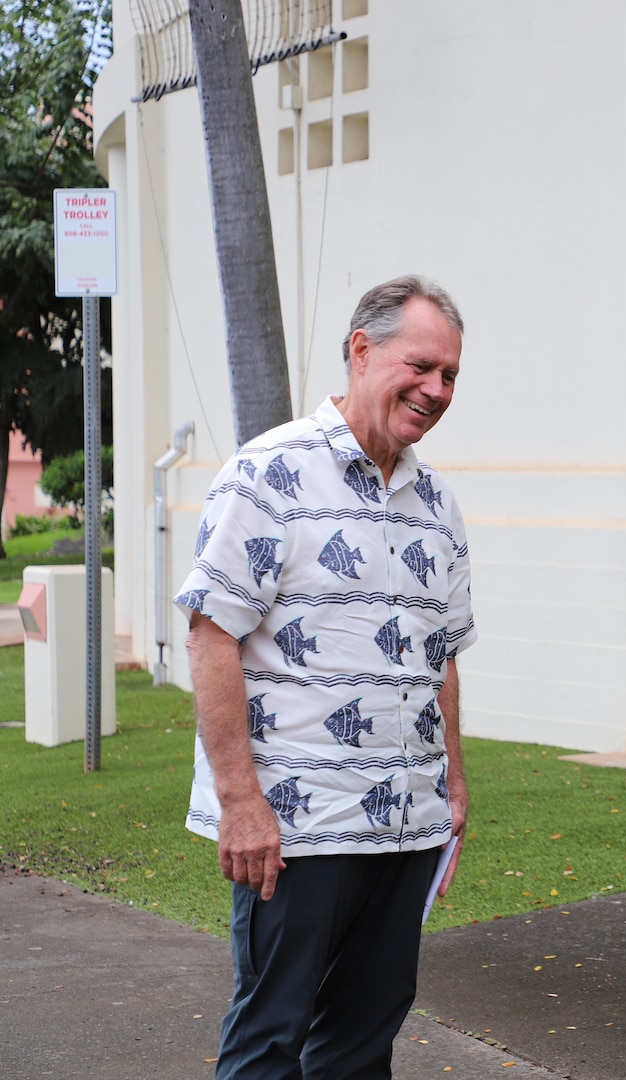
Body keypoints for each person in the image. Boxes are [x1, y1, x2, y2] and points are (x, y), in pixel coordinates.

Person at [178, 275, 476, 1079]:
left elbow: (439, 650)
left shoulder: (436, 503)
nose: (436, 389)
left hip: (406, 825)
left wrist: (451, 783)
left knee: (362, 1044)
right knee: (269, 1041)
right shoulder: (268, 473)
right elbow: (212, 639)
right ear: (360, 350)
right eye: (421, 365)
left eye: (450, 374)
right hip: (296, 830)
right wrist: (241, 802)